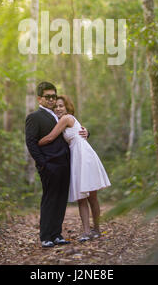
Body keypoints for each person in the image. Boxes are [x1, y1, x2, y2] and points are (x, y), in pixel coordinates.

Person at [38, 95, 111, 242]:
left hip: (84, 156)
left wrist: (35, 143)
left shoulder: (66, 118)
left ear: (67, 107)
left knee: (92, 196)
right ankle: (86, 232)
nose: (58, 108)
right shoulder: (61, 120)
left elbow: (51, 137)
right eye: (56, 106)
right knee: (81, 198)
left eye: (61, 106)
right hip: (76, 157)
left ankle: (96, 229)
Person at [25, 82, 88, 248]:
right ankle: (46, 236)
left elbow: (73, 130)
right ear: (39, 98)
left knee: (61, 201)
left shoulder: (59, 115)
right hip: (49, 165)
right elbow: (31, 143)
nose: (52, 99)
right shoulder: (34, 117)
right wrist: (43, 164)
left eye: (54, 96)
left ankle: (56, 234)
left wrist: (87, 131)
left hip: (66, 164)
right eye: (48, 97)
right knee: (50, 200)